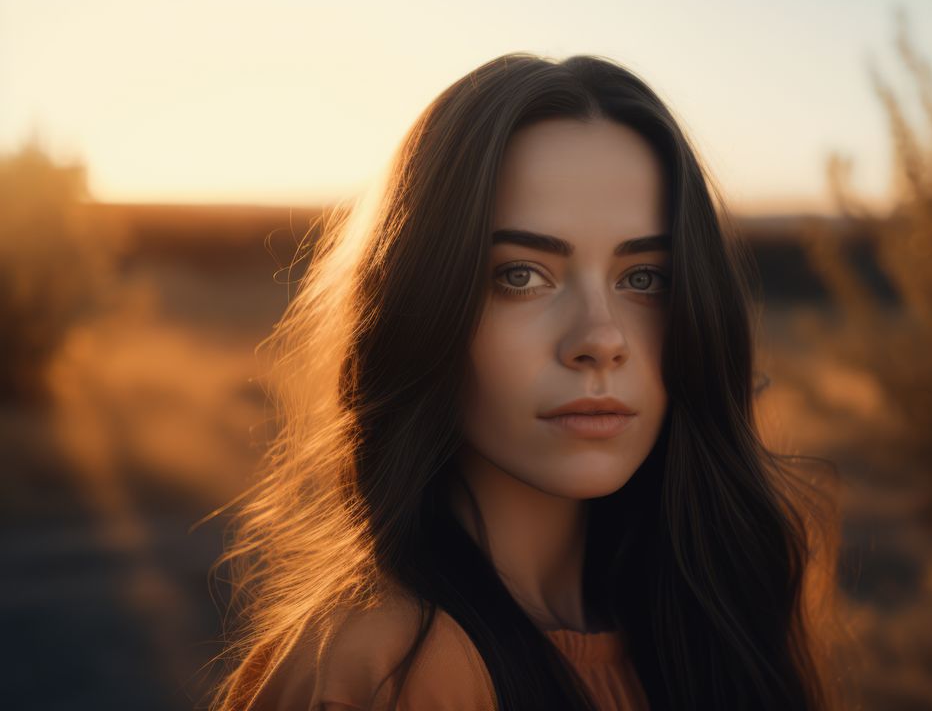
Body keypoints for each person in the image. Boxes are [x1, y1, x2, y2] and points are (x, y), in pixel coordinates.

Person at [206, 52, 841, 711]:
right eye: (522, 276)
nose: (601, 339)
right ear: (424, 306)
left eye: (644, 278)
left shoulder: (716, 619)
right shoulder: (391, 670)